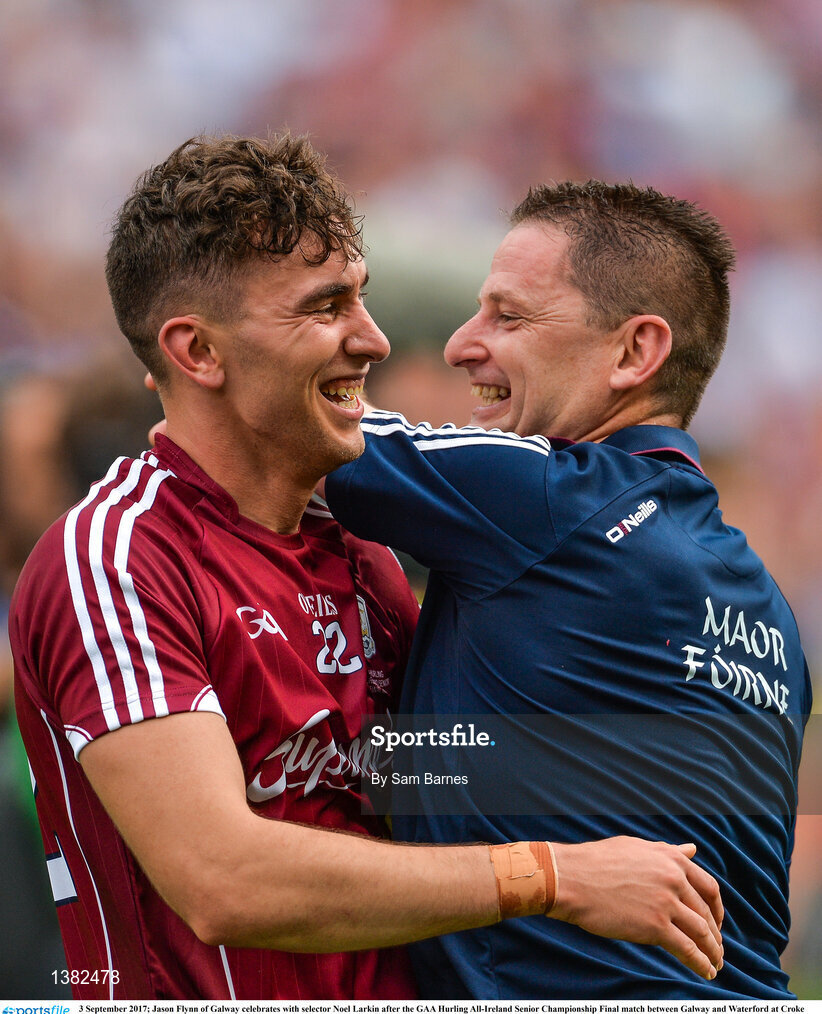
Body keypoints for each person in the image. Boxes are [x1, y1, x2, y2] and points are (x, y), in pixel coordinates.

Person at [9, 139, 724, 1001]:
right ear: (197, 352)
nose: (373, 339)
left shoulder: (368, 565)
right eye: (326, 306)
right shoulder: (120, 555)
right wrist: (554, 875)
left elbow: (442, 785)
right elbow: (223, 879)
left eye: (364, 296)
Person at [324, 181, 813, 999]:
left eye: (508, 317)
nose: (459, 345)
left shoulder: (549, 498)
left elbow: (295, 420)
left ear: (633, 354)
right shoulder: (771, 615)